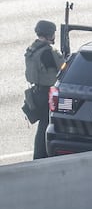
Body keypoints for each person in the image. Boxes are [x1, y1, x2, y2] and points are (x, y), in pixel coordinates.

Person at [24, 20, 64, 159]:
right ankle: (42, 156)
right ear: (49, 34)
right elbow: (63, 69)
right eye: (53, 34)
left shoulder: (33, 48)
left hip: (37, 92)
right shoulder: (47, 52)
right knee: (47, 126)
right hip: (49, 93)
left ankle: (40, 155)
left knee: (43, 125)